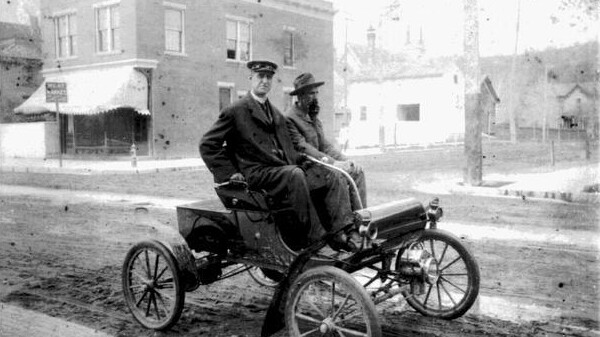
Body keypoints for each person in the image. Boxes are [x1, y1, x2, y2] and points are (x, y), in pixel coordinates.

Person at [199, 60, 360, 252]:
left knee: (330, 176)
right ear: (251, 78)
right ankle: (314, 239)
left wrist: (315, 164)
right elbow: (207, 144)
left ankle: (341, 233)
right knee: (295, 175)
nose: (265, 81)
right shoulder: (236, 111)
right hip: (256, 174)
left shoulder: (275, 113)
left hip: (280, 171)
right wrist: (230, 173)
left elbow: (290, 150)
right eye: (260, 76)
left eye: (269, 77)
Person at [285, 72, 367, 208]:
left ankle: (362, 218)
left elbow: (325, 146)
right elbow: (303, 147)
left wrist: (345, 161)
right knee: (338, 175)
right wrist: (334, 163)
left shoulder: (313, 117)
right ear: (300, 96)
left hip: (321, 166)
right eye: (311, 94)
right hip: (306, 170)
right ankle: (344, 225)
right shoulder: (290, 118)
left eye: (316, 93)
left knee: (357, 171)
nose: (315, 97)